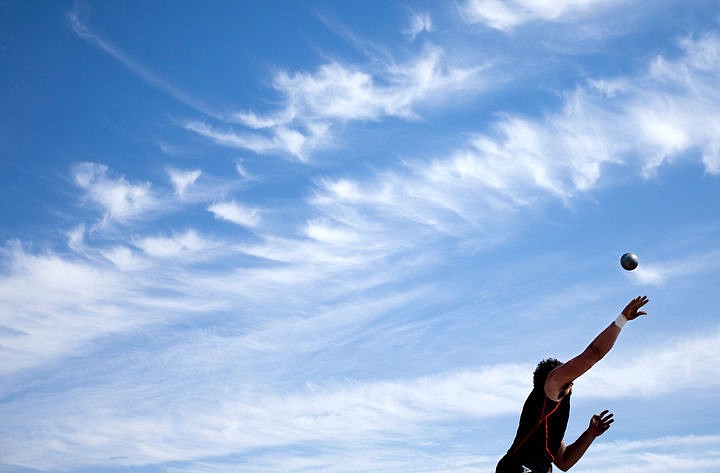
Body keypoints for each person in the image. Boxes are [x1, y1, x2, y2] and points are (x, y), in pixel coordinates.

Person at [495, 295, 650, 473]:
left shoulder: (550, 415)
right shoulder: (551, 384)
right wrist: (621, 320)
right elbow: (593, 353)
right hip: (518, 467)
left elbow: (564, 462)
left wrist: (591, 433)